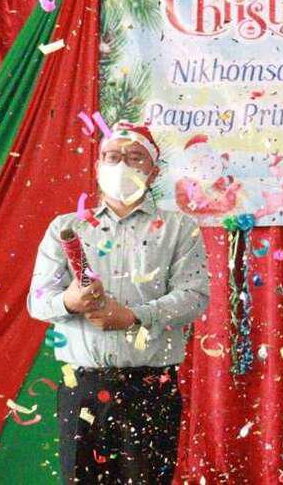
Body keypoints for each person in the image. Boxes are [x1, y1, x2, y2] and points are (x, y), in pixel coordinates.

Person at [27, 121, 210, 484]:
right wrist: (70, 301)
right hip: (81, 389)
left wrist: (132, 316)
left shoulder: (179, 229)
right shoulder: (66, 228)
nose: (122, 164)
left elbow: (195, 297)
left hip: (150, 389)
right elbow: (38, 300)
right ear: (98, 166)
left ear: (154, 171)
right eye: (112, 156)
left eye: (135, 157)